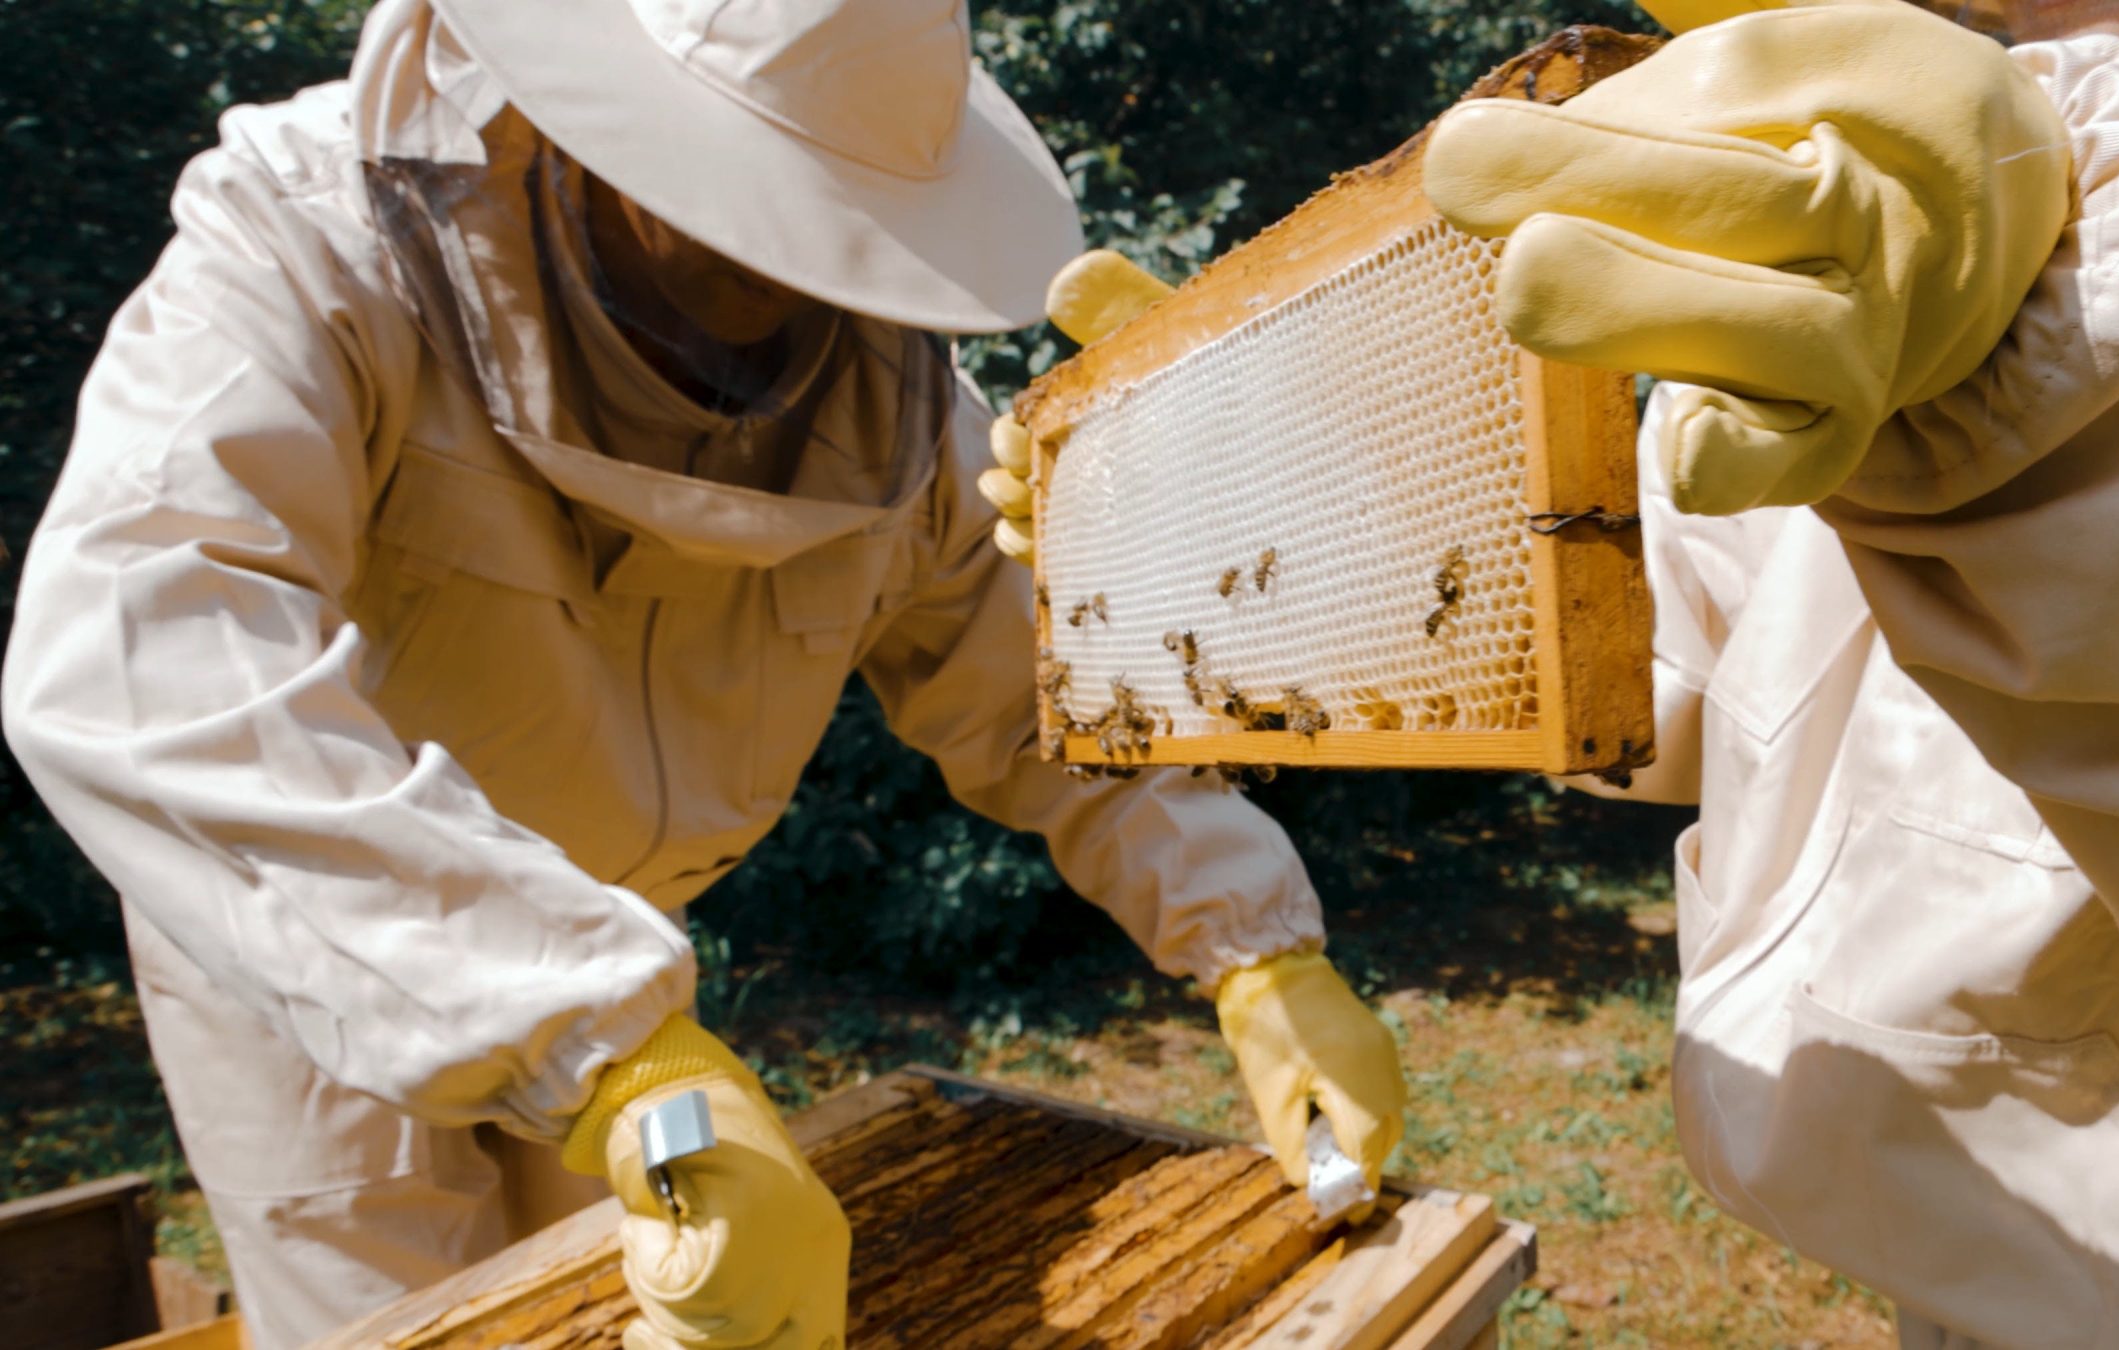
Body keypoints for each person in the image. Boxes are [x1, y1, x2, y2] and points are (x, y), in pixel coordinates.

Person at [0, 1, 1406, 1346]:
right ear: (600, 126)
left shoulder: (883, 388)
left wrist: (1251, 938)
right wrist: (610, 1048)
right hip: (314, 944)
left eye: (826, 235)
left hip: (618, 956)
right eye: (744, 219)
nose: (785, 287)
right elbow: (132, 654)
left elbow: (1034, 662)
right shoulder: (308, 246)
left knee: (639, 1305)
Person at [1417, 0, 2119, 1344]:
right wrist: (1325, 491)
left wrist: (2068, 359)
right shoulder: (1867, 242)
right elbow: (1655, 666)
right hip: (1986, 1292)